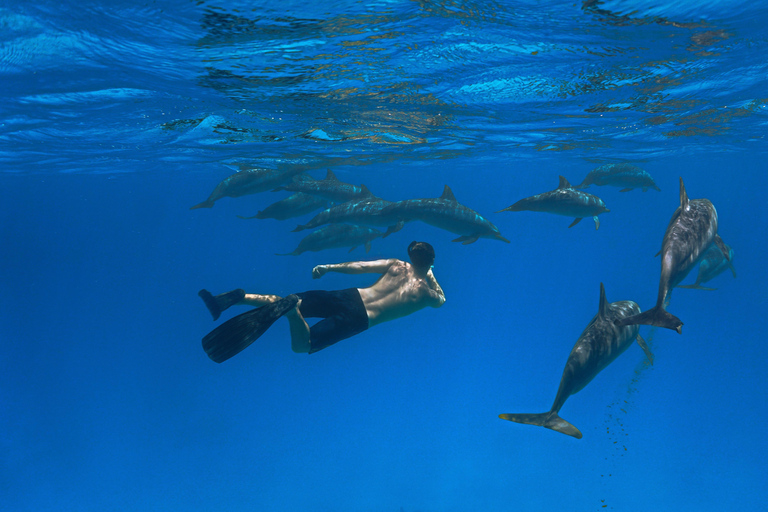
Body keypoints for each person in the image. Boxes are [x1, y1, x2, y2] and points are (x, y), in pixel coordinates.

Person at [198, 241, 445, 362]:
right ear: (431, 262)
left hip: (351, 296)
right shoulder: (426, 294)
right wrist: (429, 272)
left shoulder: (397, 265)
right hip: (360, 319)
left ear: (411, 256)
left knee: (286, 301)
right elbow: (442, 299)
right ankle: (293, 313)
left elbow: (360, 266)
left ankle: (236, 298)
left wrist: (328, 267)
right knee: (302, 346)